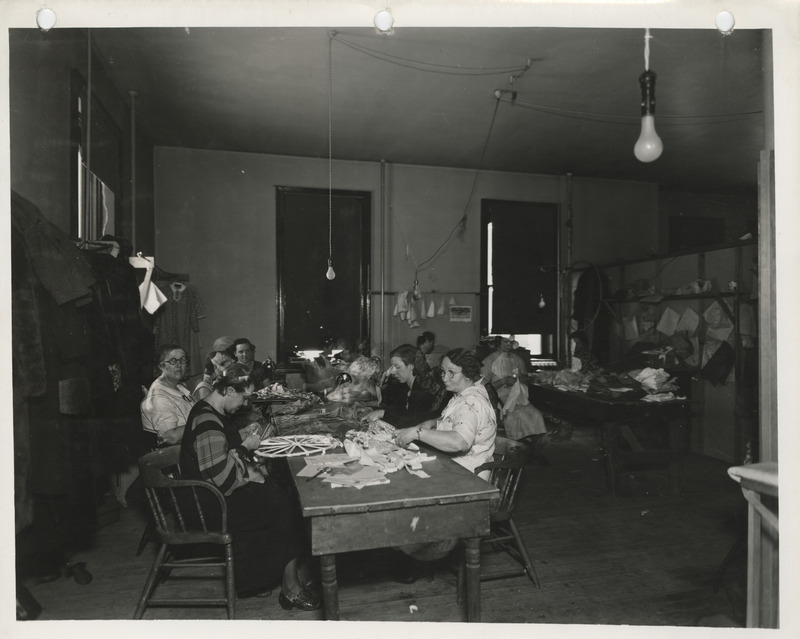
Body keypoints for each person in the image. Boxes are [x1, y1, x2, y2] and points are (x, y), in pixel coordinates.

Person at [179, 363, 319, 609]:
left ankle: (269, 575)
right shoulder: (207, 420)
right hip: (211, 504)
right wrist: (246, 449)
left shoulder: (213, 411)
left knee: (281, 492)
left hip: (215, 494)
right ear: (229, 390)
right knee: (287, 506)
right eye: (243, 397)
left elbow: (223, 450)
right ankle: (291, 588)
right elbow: (222, 478)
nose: (244, 404)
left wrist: (242, 438)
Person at [391, 349, 497, 578]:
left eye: (452, 373)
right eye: (443, 372)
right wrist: (432, 422)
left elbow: (459, 441)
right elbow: (452, 419)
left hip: (469, 481)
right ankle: (409, 548)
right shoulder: (465, 395)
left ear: (467, 374)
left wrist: (418, 433)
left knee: (405, 487)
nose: (445, 378)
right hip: (458, 471)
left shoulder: (472, 402)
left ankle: (417, 552)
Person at [481, 335, 548, 453]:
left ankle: (533, 452)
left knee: (536, 415)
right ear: (498, 344)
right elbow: (483, 388)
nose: (508, 345)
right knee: (517, 417)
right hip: (498, 399)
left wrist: (522, 378)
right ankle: (513, 449)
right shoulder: (489, 361)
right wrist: (502, 381)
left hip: (518, 398)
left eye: (510, 342)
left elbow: (526, 380)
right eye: (505, 342)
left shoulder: (517, 359)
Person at [362, 344, 442, 428]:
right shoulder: (405, 387)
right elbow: (397, 410)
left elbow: (411, 423)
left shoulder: (422, 393)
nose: (392, 371)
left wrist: (383, 413)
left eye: (397, 367)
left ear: (411, 366)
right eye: (392, 366)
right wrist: (371, 408)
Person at [141, 344, 195, 446]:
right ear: (161, 366)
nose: (179, 365)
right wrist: (201, 420)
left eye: (183, 360)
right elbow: (171, 437)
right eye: (173, 361)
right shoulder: (158, 397)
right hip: (174, 455)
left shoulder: (179, 388)